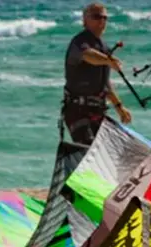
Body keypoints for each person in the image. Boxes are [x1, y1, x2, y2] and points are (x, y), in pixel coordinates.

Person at [61, 1, 132, 146]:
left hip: (98, 112)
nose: (102, 21)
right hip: (78, 112)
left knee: (111, 152)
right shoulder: (80, 41)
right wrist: (108, 60)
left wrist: (119, 106)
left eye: (105, 18)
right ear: (85, 20)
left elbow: (105, 84)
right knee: (89, 151)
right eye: (97, 17)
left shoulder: (103, 46)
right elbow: (88, 55)